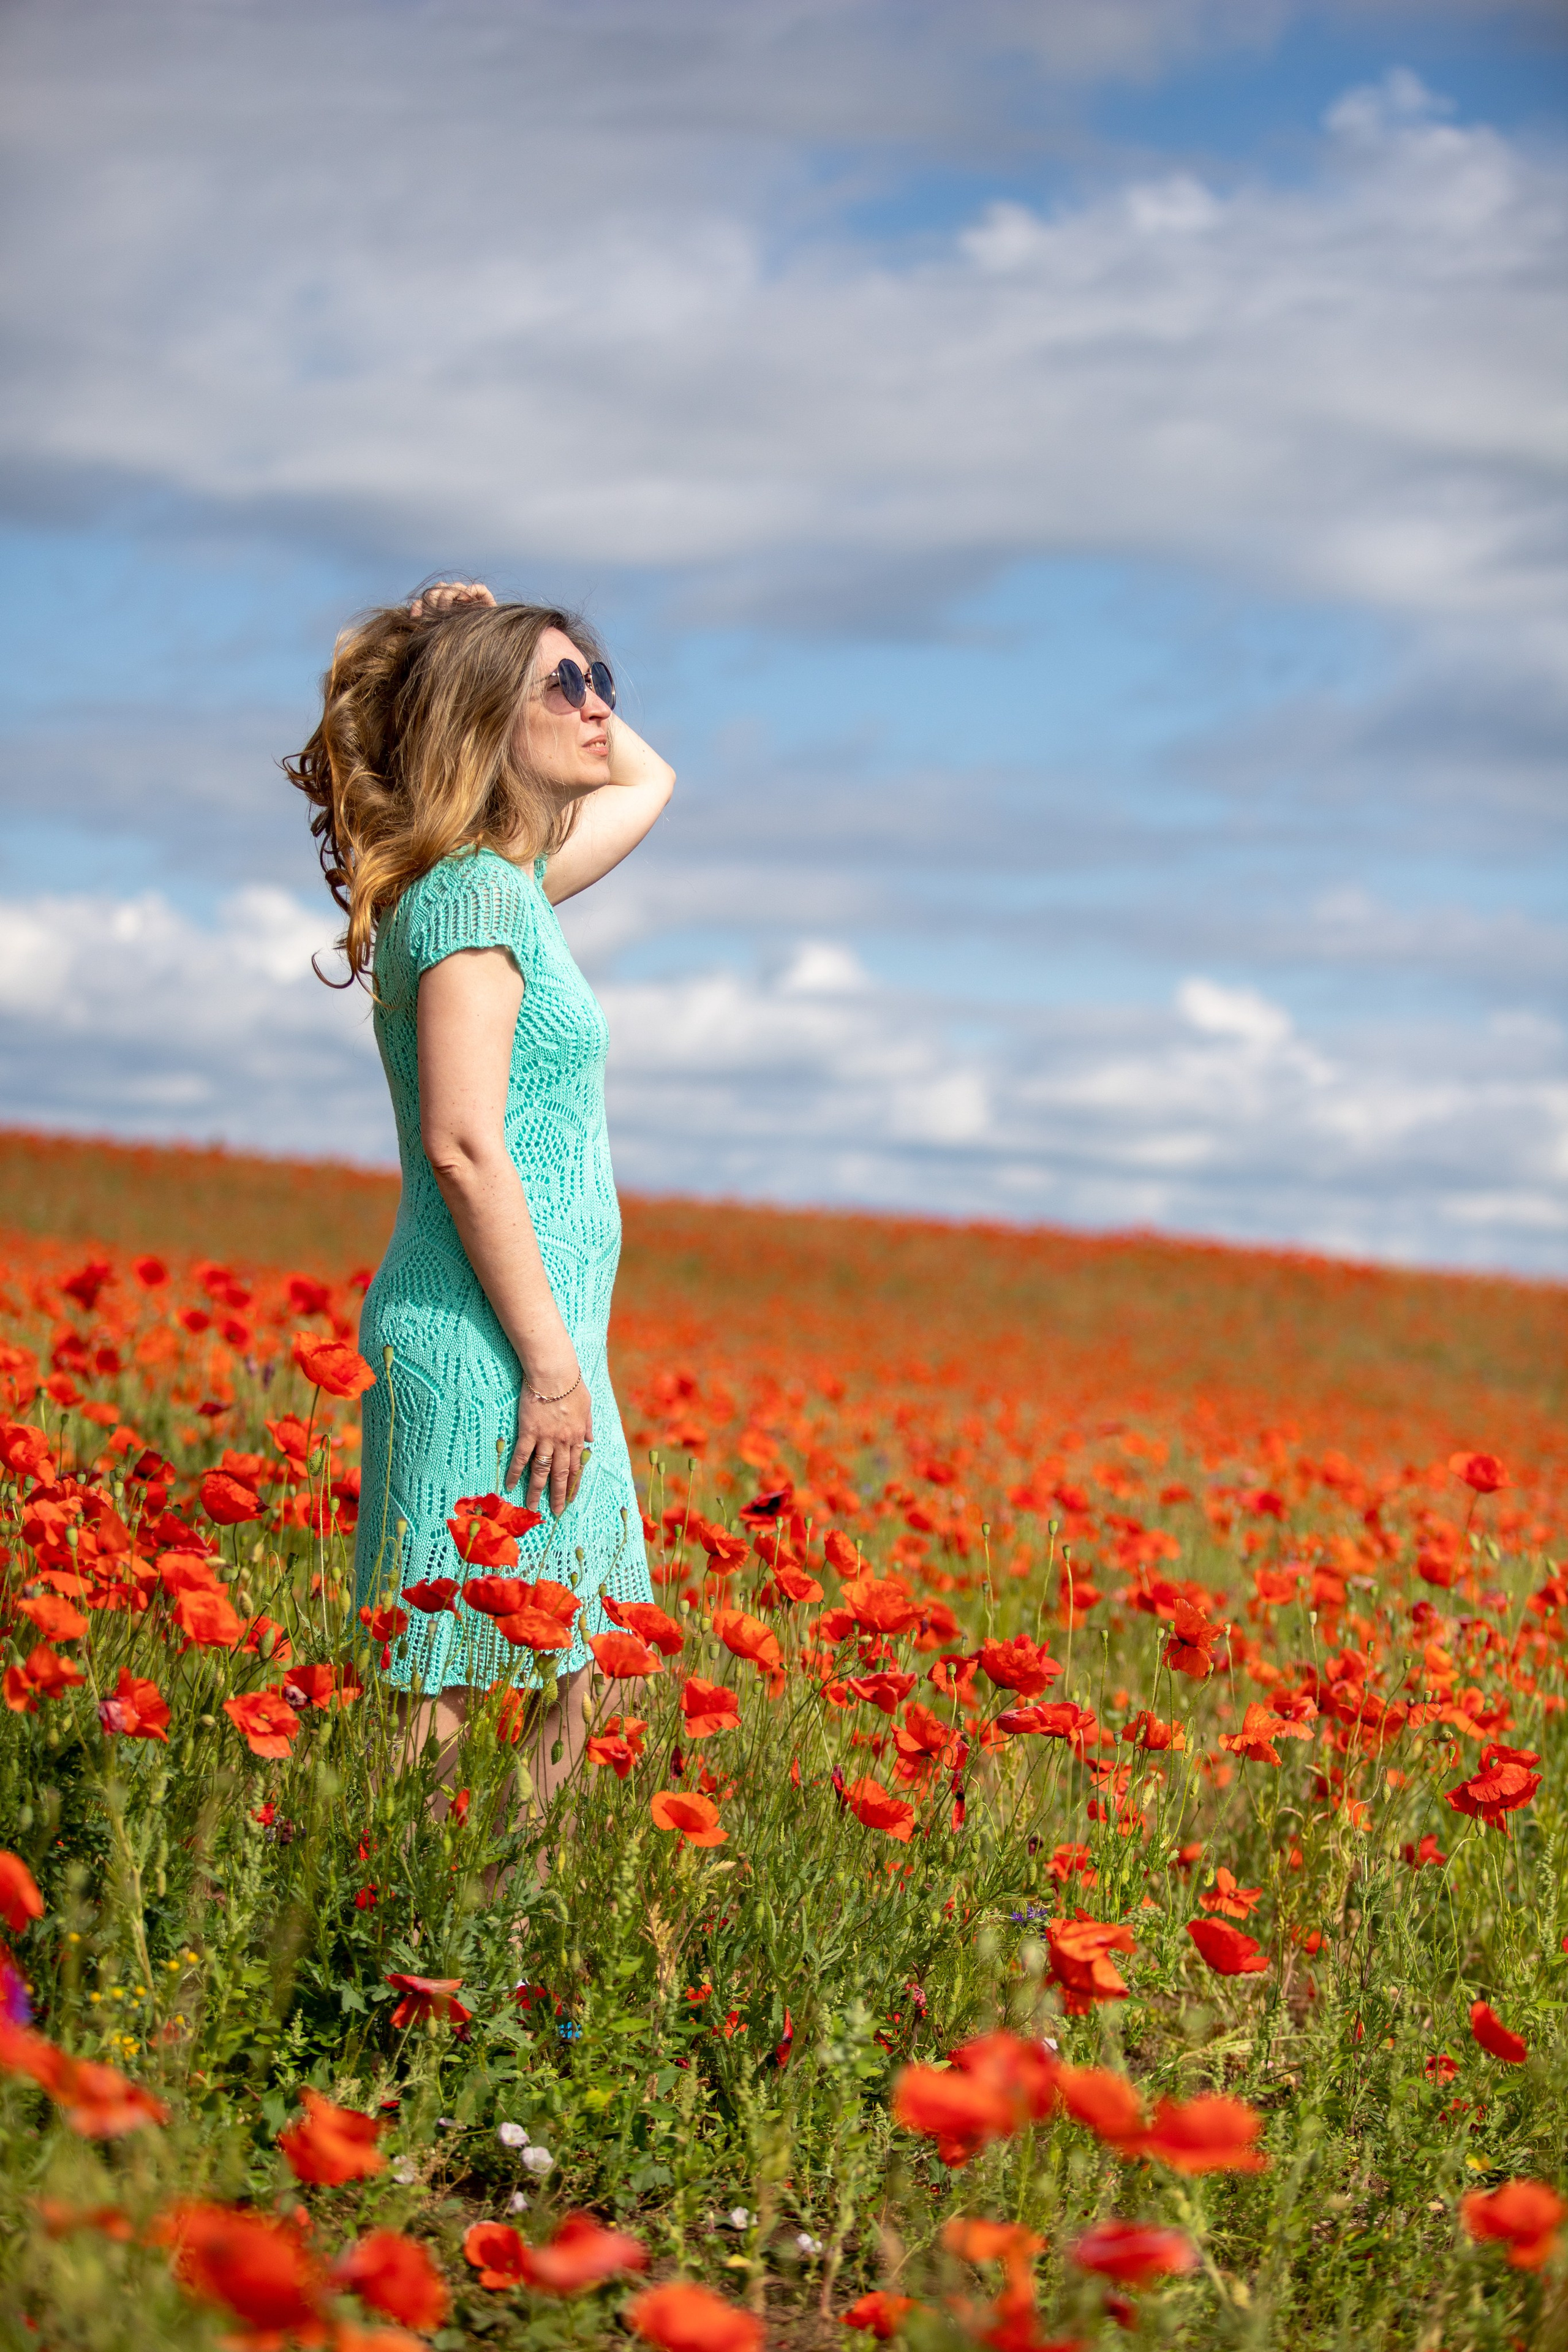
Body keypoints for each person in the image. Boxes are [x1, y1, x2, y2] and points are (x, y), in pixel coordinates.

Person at [284, 580, 673, 1806]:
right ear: (481, 717)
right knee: (444, 1672)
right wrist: (548, 1370)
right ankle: (406, 1949)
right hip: (488, 1343)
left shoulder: (508, 887)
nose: (595, 703)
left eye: (597, 673)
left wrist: (510, 626)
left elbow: (649, 785)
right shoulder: (464, 899)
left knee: (605, 1666)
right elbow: (462, 1144)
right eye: (559, 685)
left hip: (547, 1340)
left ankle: (483, 1932)